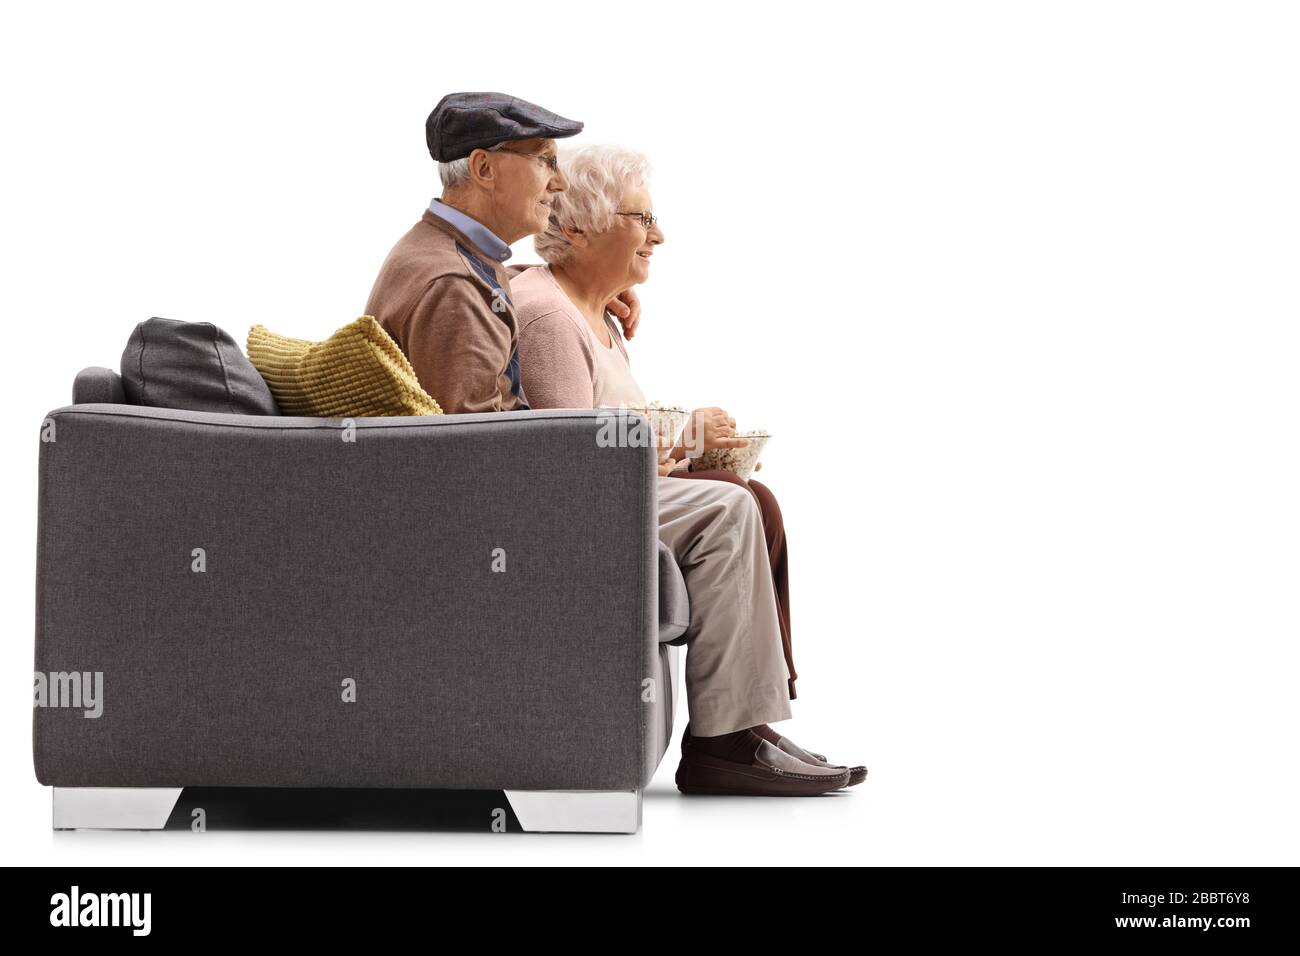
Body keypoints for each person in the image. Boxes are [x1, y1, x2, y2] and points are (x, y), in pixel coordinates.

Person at [363, 92, 864, 794]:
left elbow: (494, 381)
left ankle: (738, 732)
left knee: (740, 501)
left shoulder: (460, 265)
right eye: (542, 163)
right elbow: (468, 456)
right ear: (481, 168)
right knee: (730, 509)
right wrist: (641, 444)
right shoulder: (452, 280)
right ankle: (727, 742)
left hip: (523, 492)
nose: (557, 181)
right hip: (498, 526)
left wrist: (579, 298)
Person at [508, 143, 799, 704]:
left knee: (755, 496)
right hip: (580, 507)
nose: (657, 236)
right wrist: (687, 433)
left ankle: (761, 709)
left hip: (617, 485)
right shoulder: (549, 317)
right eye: (641, 219)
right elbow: (570, 460)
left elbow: (612, 427)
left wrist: (700, 455)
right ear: (577, 229)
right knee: (739, 502)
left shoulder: (597, 312)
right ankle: (738, 729)